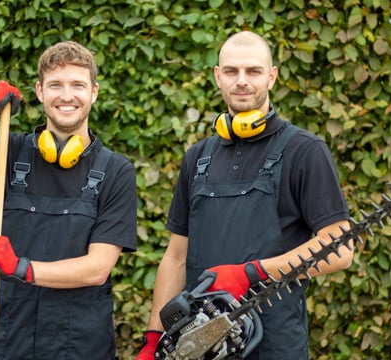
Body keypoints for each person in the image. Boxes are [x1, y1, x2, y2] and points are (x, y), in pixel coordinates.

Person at [136, 31, 354, 359]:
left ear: (272, 76)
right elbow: (176, 257)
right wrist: (154, 337)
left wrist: (251, 272)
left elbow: (340, 248)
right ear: (217, 76)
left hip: (273, 345)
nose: (242, 81)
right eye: (231, 71)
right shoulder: (198, 157)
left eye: (253, 71)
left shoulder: (304, 150)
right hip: (200, 346)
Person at [0, 41, 138, 359]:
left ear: (94, 92)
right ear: (39, 91)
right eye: (55, 85)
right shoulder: (9, 152)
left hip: (81, 345)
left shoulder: (116, 170)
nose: (66, 96)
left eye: (77, 85)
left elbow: (97, 268)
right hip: (11, 339)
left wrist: (20, 267)